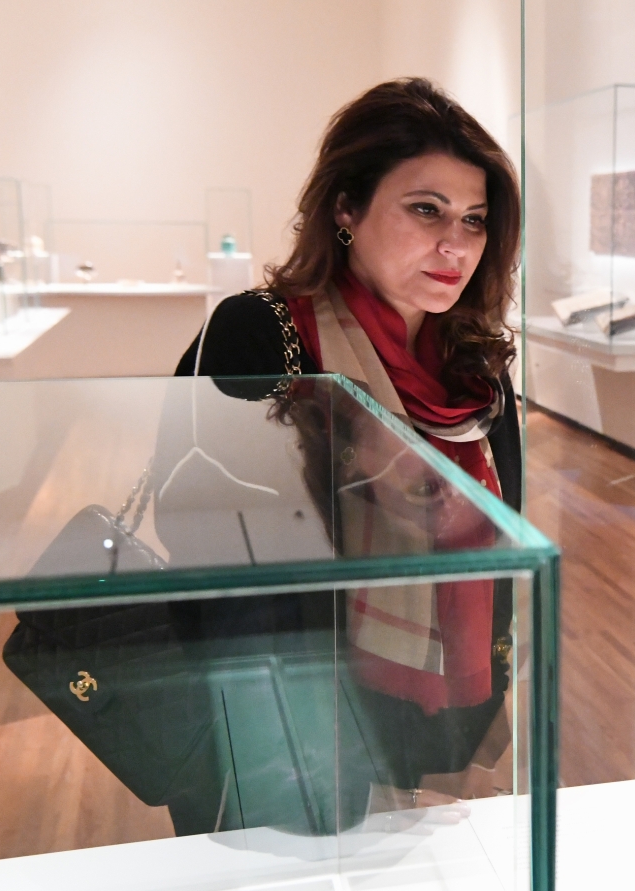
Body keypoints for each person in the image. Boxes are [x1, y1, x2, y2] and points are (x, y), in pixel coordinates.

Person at [175, 77, 522, 815]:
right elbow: (199, 537)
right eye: (425, 210)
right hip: (287, 722)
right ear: (345, 208)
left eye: (475, 220)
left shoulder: (476, 369)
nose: (454, 245)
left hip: (429, 714)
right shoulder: (263, 335)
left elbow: (506, 545)